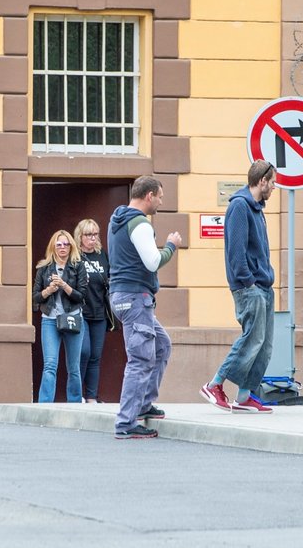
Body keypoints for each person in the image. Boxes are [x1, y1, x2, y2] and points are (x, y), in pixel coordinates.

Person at [108, 176, 183, 439]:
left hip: (122, 296)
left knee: (161, 345)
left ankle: (143, 403)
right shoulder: (139, 223)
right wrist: (171, 246)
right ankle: (126, 423)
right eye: (160, 197)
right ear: (149, 195)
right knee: (140, 359)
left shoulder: (117, 220)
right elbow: (152, 262)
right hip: (134, 298)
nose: (161, 202)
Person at [200, 159, 277, 414]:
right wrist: (249, 283)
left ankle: (244, 396)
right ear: (262, 180)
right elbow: (236, 253)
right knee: (250, 340)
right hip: (249, 288)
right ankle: (215, 384)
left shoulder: (256, 208)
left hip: (263, 286)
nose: (275, 187)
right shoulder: (240, 206)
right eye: (273, 182)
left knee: (264, 345)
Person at [32, 230, 87, 404]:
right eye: (59, 244)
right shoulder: (44, 268)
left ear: (71, 246)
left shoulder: (78, 266)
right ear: (53, 247)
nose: (62, 247)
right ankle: (44, 405)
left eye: (66, 244)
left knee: (74, 367)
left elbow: (81, 296)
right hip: (50, 319)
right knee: (50, 365)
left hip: (72, 319)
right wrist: (49, 290)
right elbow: (35, 298)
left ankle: (75, 404)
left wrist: (63, 285)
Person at [74, 218, 111, 404]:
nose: (93, 238)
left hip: (100, 313)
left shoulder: (102, 255)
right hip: (80, 312)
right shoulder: (75, 257)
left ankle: (91, 397)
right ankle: (76, 395)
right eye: (89, 234)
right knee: (84, 353)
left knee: (95, 356)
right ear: (80, 237)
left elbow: (110, 277)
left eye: (95, 234)